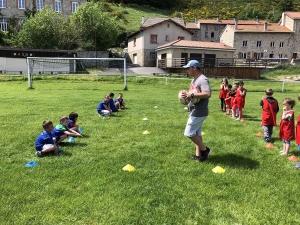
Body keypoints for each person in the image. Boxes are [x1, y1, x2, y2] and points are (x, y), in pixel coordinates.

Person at [181, 60, 211, 162]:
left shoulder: (203, 79)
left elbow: (207, 94)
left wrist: (192, 95)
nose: (187, 71)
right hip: (194, 110)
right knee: (197, 135)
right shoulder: (194, 80)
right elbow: (192, 94)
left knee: (189, 133)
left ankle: (205, 150)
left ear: (194, 68)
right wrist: (186, 96)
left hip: (199, 112)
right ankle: (199, 155)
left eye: (188, 68)